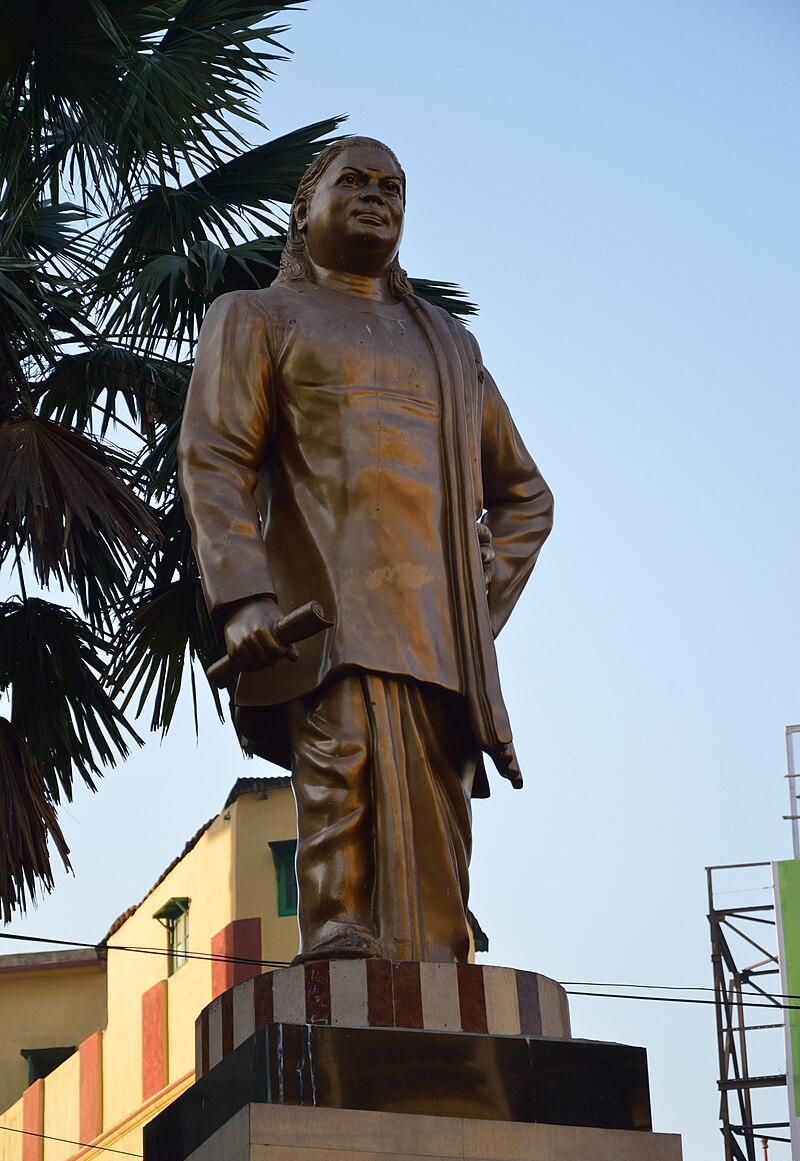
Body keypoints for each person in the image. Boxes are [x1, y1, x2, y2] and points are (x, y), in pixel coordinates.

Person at [178, 136, 553, 965]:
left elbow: (526, 494)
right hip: (327, 619)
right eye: (355, 182)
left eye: (394, 187)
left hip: (435, 634)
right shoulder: (257, 318)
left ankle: (436, 951)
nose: (378, 196)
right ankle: (339, 935)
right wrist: (244, 598)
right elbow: (215, 455)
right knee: (340, 772)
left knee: (440, 819)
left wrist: (475, 603)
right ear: (303, 208)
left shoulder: (451, 347)